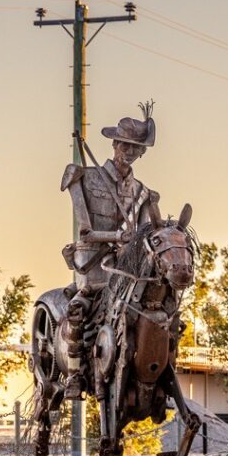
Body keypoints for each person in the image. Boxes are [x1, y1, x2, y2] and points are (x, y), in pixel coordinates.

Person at [61, 102, 162, 399]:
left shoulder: (142, 192)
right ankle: (75, 374)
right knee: (78, 309)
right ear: (115, 144)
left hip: (125, 269)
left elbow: (144, 234)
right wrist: (119, 235)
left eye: (136, 148)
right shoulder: (85, 177)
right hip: (92, 264)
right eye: (125, 145)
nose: (129, 152)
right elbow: (85, 230)